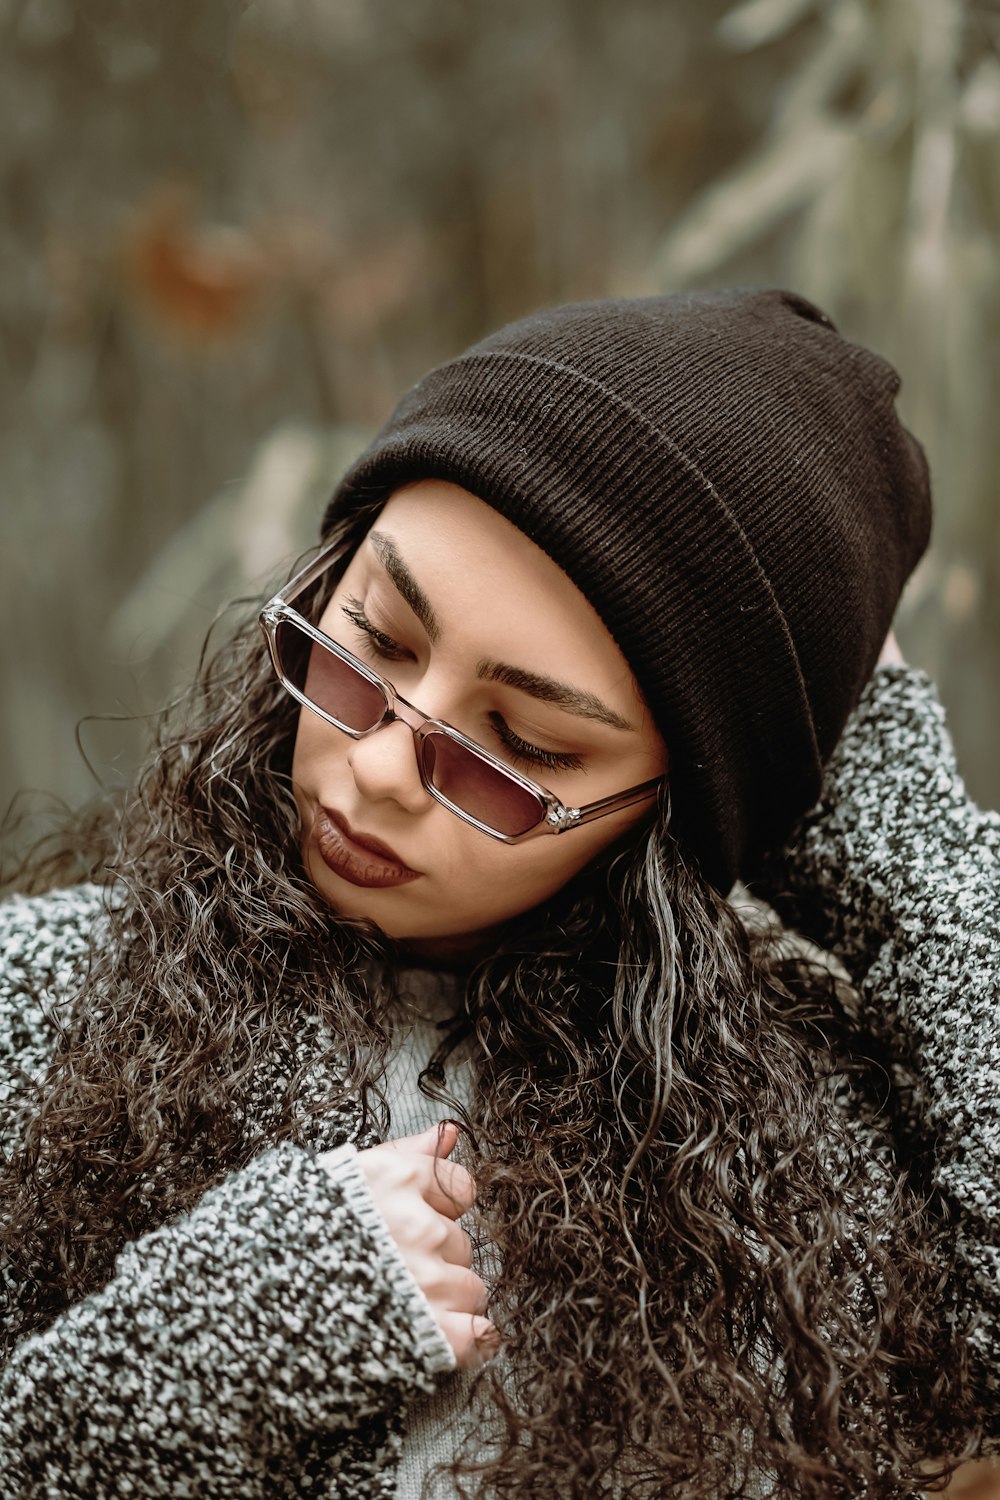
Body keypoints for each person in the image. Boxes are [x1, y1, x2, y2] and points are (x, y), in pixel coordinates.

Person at [0, 288, 997, 1499]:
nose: (372, 767)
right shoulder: (37, 1006)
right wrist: (202, 1349)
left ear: (669, 814)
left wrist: (901, 829)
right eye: (373, 643)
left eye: (517, 745)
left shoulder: (796, 1173)